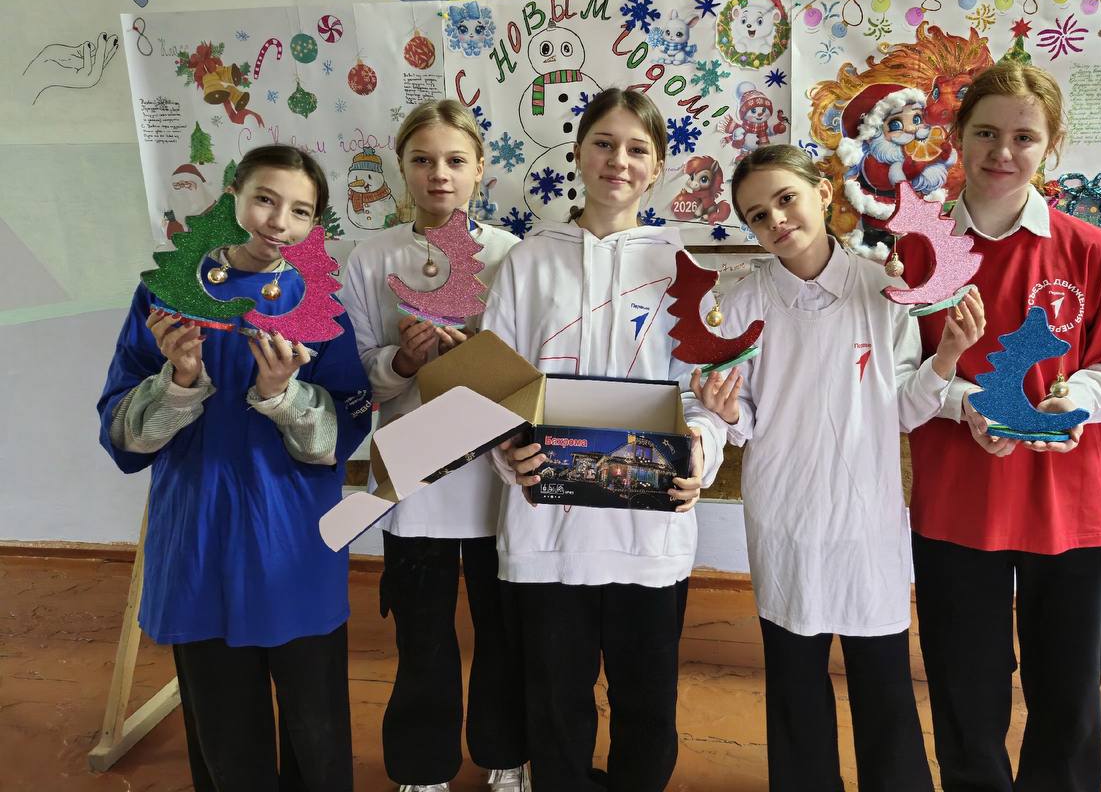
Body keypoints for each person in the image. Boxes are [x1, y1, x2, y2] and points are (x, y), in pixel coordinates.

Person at [690, 142, 984, 791]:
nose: (776, 220)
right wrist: (728, 412)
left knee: (883, 680)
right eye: (758, 215)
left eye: (786, 199)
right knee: (794, 678)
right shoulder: (741, 302)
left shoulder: (884, 288)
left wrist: (946, 358)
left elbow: (902, 407)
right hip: (784, 514)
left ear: (823, 193)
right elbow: (748, 416)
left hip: (864, 516)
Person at [904, 62, 1101, 791]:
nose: (1002, 151)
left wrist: (1076, 398)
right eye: (986, 132)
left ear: (1051, 145)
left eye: (1024, 136)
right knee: (964, 694)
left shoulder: (1093, 252)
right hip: (959, 507)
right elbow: (895, 375)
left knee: (1069, 700)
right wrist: (965, 403)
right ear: (958, 136)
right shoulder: (917, 253)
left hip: (1070, 512)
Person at [97, 145, 372, 792]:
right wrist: (179, 379)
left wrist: (283, 394)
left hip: (294, 539)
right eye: (265, 200)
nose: (279, 221)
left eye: (300, 211)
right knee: (224, 737)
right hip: (199, 532)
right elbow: (121, 428)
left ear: (314, 225)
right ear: (232, 197)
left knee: (317, 729)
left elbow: (342, 430)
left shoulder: (320, 304)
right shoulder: (167, 294)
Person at [482, 88, 725, 792]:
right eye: (604, 143)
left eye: (637, 149)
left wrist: (701, 451)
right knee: (555, 697)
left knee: (646, 699)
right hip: (548, 524)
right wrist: (509, 449)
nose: (619, 160)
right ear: (578, 153)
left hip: (647, 528)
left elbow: (706, 396)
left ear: (658, 167)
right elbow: (497, 385)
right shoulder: (529, 261)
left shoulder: (683, 268)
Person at [339, 100, 527, 792]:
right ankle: (422, 766)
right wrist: (404, 361)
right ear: (402, 168)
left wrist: (476, 355)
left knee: (503, 630)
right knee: (421, 632)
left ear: (479, 168)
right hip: (414, 473)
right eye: (422, 160)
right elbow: (358, 374)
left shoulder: (513, 256)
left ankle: (507, 753)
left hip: (497, 475)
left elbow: (531, 370)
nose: (438, 174)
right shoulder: (370, 258)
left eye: (454, 160)